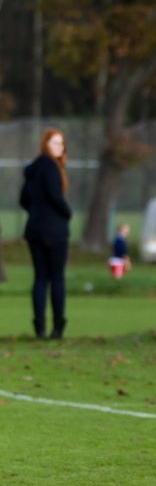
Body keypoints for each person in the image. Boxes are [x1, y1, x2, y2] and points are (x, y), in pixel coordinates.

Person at [19, 128, 72, 340]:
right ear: (46, 145)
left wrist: (37, 212)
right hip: (55, 230)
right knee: (56, 278)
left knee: (40, 278)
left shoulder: (32, 169)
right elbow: (54, 195)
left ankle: (39, 326)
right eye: (54, 143)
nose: (59, 147)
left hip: (34, 229)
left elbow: (24, 199)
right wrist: (67, 212)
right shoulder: (51, 167)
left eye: (61, 144)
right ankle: (57, 328)